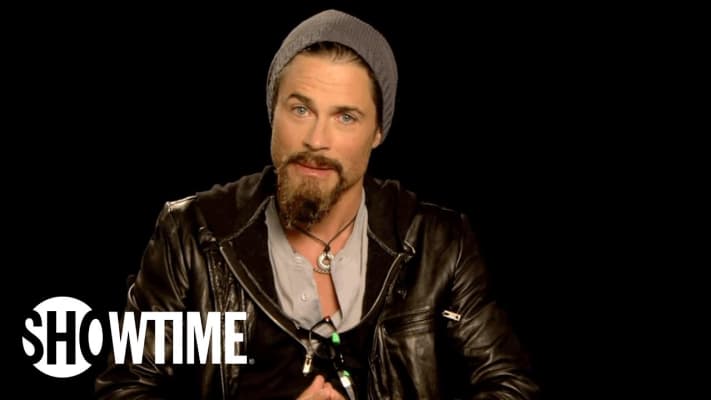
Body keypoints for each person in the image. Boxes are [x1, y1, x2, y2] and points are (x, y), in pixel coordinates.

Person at [95, 9, 538, 400]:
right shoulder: (192, 232)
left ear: (377, 132)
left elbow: (511, 385)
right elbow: (124, 387)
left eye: (345, 117)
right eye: (301, 110)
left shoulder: (437, 242)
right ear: (273, 111)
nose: (316, 140)